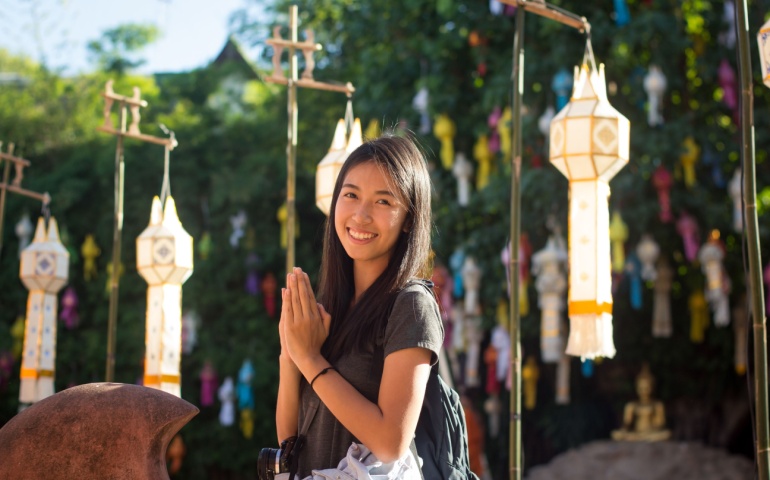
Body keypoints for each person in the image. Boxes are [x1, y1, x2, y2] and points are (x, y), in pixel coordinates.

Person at [276, 134, 443, 478]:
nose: (361, 215)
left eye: (383, 202)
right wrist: (290, 352)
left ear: (409, 218)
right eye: (350, 195)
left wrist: (310, 360)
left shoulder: (411, 306)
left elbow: (389, 443)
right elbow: (291, 442)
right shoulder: (328, 308)